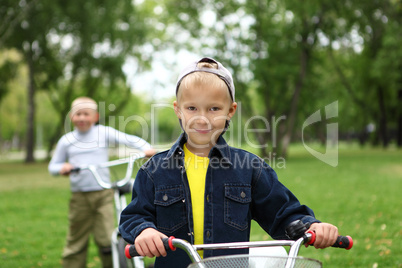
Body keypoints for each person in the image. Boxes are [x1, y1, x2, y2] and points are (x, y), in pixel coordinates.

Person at [119, 57, 339, 268]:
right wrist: (143, 231)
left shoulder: (249, 168)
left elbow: (283, 213)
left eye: (214, 109)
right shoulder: (153, 171)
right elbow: (134, 215)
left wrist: (312, 226)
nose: (202, 118)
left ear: (230, 111)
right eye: (192, 108)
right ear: (178, 109)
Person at [48, 96, 156, 268]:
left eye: (86, 114)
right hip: (79, 197)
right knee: (76, 241)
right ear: (71, 117)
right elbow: (53, 166)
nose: (82, 118)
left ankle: (113, 264)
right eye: (78, 114)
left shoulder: (103, 132)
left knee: (107, 239)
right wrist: (63, 167)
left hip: (103, 194)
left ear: (95, 117)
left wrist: (145, 147)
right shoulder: (66, 140)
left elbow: (128, 139)